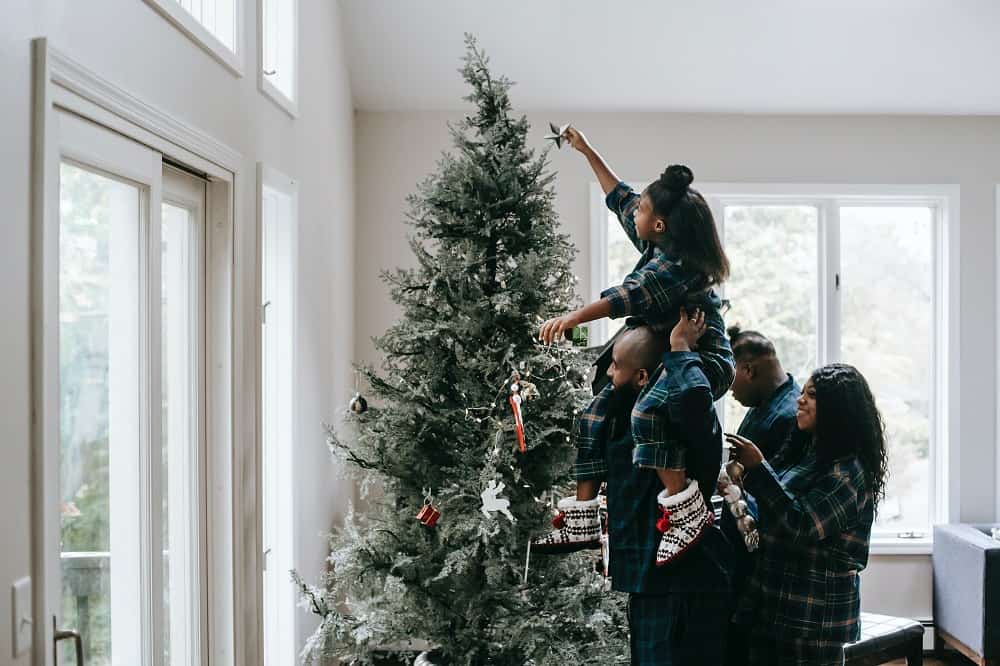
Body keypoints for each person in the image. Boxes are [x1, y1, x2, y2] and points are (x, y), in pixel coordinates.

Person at [535, 127, 734, 564]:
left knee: (647, 412)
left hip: (703, 358)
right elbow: (620, 197)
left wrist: (572, 319)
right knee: (593, 415)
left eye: (645, 210)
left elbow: (623, 298)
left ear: (659, 224)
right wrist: (588, 150)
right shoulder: (660, 237)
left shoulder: (674, 267)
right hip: (669, 351)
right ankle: (583, 518)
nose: (636, 213)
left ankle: (686, 510)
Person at [566, 319, 734, 665]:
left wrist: (681, 349)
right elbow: (605, 370)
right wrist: (639, 317)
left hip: (682, 584)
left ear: (644, 376)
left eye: (617, 366)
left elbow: (693, 395)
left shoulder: (677, 415)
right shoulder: (616, 415)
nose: (609, 374)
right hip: (645, 580)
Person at [727, 364, 888, 666]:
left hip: (812, 618)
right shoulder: (806, 453)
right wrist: (740, 483)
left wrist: (759, 468)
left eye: (812, 396)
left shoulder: (849, 470)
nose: (800, 400)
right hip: (774, 604)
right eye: (802, 393)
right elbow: (775, 508)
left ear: (838, 409)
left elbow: (802, 525)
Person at [722, 325, 800, 666]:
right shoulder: (767, 402)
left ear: (748, 370)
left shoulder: (787, 417)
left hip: (760, 556)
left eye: (730, 378)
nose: (729, 390)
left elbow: (777, 493)